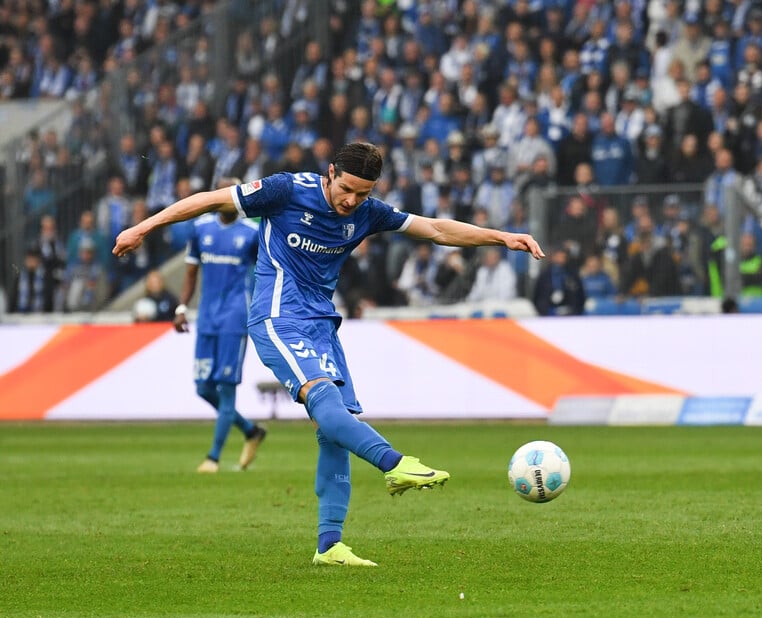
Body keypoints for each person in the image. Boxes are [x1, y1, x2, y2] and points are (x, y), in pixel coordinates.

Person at [114, 142, 544, 566]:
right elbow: (210, 200)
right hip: (277, 316)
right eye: (348, 189)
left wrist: (501, 237)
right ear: (331, 173)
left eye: (364, 193)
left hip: (323, 325)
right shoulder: (285, 190)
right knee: (326, 403)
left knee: (335, 427)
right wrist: (143, 228)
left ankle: (330, 546)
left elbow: (435, 229)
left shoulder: (368, 213)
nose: (353, 201)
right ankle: (394, 463)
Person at [177, 178, 268, 474]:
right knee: (203, 387)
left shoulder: (252, 233)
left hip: (234, 318)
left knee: (226, 390)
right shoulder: (201, 228)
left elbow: (265, 274)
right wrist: (181, 307)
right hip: (206, 318)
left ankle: (213, 458)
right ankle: (251, 431)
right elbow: (191, 273)